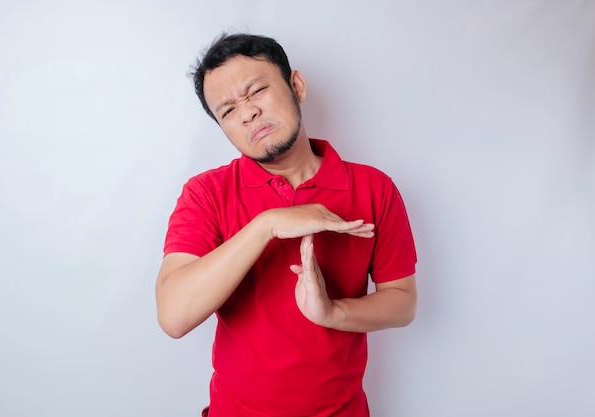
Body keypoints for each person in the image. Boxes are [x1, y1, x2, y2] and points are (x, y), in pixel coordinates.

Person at [155, 33, 418, 417]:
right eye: (227, 111)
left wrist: (333, 313)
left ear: (296, 85)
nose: (247, 114)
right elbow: (174, 316)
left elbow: (403, 300)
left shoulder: (374, 187)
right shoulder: (206, 193)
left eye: (256, 91)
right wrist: (267, 225)